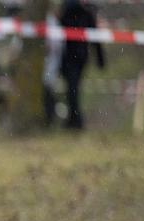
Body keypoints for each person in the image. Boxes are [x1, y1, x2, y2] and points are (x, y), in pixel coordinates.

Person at [59, 0, 105, 129]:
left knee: (72, 89)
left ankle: (75, 119)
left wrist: (100, 59)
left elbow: (95, 38)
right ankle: (74, 119)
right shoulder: (76, 12)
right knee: (72, 89)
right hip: (71, 57)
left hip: (74, 58)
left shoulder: (83, 13)